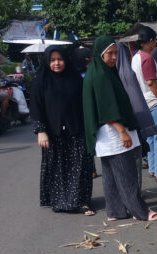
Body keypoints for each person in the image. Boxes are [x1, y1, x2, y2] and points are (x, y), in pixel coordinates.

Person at [82, 35, 157, 222]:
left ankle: (115, 211)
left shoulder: (98, 71)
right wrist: (122, 130)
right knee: (126, 173)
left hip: (106, 134)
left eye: (116, 53)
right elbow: (106, 107)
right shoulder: (101, 75)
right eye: (109, 53)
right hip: (113, 131)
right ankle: (140, 211)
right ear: (100, 54)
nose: (114, 57)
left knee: (111, 173)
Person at [30, 46, 95, 215]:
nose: (57, 63)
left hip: (77, 130)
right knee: (57, 167)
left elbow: (86, 104)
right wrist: (41, 131)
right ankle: (61, 201)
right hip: (53, 132)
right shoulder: (41, 81)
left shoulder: (75, 79)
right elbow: (36, 108)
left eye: (60, 59)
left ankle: (82, 202)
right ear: (47, 62)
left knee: (80, 166)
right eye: (52, 60)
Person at [131, 26, 157, 181]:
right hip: (155, 102)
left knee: (152, 138)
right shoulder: (147, 58)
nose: (155, 44)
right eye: (154, 41)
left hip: (144, 103)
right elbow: (151, 82)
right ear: (149, 41)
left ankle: (154, 169)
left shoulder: (136, 57)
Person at [115, 41, 157, 186]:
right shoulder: (126, 72)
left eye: (116, 53)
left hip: (121, 124)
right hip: (129, 122)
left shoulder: (116, 72)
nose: (114, 57)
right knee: (132, 160)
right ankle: (134, 194)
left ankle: (131, 194)